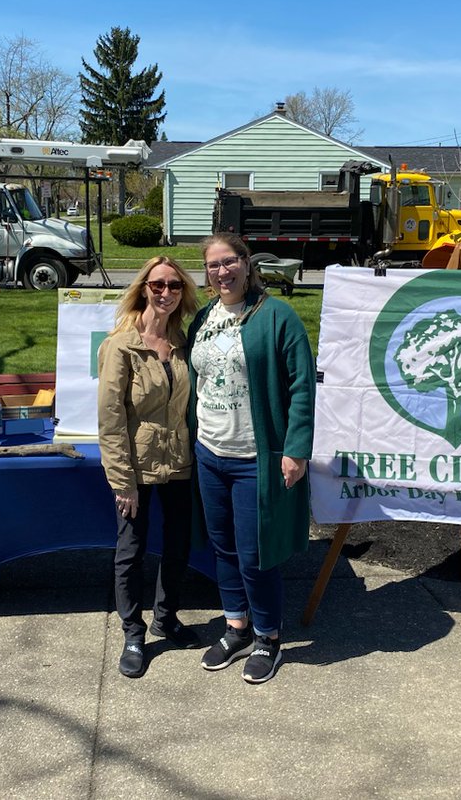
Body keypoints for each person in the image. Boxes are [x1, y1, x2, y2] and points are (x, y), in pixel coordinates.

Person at [187, 233, 316, 685]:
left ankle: (267, 636)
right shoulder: (203, 318)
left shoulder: (278, 316)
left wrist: (296, 448)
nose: (222, 272)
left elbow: (302, 385)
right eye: (213, 265)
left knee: (256, 552)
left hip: (254, 456)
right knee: (221, 547)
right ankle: (236, 625)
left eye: (230, 262)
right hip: (209, 452)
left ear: (247, 264)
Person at [97, 256, 202, 678]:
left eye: (174, 285)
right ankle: (133, 632)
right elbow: (110, 418)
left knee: (178, 545)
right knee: (131, 551)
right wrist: (123, 482)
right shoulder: (121, 345)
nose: (166, 292)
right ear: (143, 288)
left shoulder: (182, 342)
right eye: (157, 284)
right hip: (135, 469)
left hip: (179, 462)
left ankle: (165, 617)